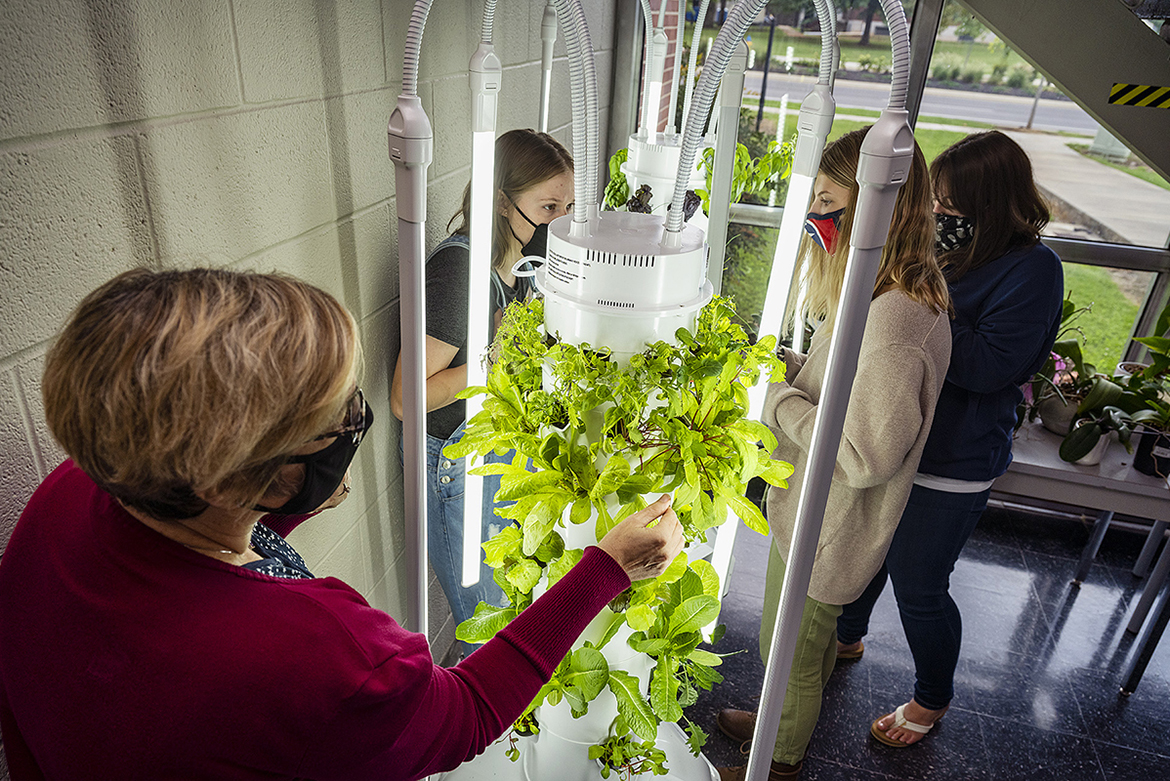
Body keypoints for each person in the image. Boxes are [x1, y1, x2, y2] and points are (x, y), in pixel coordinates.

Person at [0, 268, 683, 781]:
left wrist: (283, 499)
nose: (351, 420)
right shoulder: (324, 651)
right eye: (325, 422)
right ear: (225, 474)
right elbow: (466, 709)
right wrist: (606, 567)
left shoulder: (72, 491)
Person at [715, 127, 953, 781]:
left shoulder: (896, 320)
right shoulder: (879, 289)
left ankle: (778, 757)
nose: (816, 216)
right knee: (804, 648)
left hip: (833, 525)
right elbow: (845, 384)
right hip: (819, 514)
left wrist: (772, 398)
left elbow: (863, 454)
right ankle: (778, 718)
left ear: (880, 207)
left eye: (827, 200)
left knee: (788, 649)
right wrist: (789, 365)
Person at [836, 130, 1064, 747]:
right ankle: (846, 636)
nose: (939, 214)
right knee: (871, 550)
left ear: (995, 205)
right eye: (936, 200)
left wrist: (910, 332)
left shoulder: (1033, 269)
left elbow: (993, 365)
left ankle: (932, 697)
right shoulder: (949, 250)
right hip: (897, 438)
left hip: (953, 460)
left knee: (920, 582)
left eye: (953, 205)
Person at [390, 129, 573, 646]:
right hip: (456, 463)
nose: (560, 222)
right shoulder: (459, 273)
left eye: (570, 206)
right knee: (488, 628)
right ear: (501, 201)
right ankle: (477, 728)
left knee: (513, 612)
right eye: (549, 206)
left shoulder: (522, 268)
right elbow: (407, 398)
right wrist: (494, 366)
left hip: (498, 452)